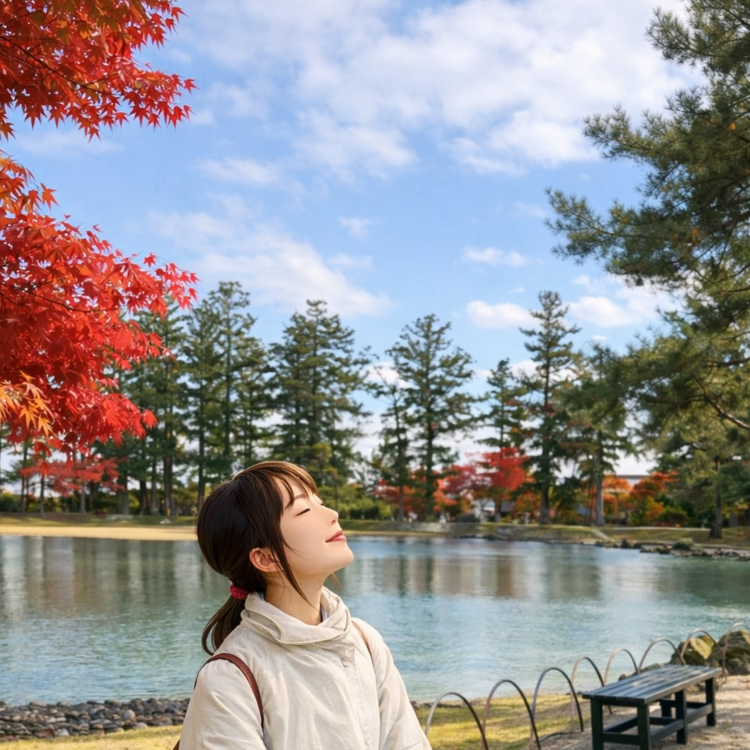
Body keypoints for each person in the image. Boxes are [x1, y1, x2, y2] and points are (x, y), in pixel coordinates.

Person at [179, 461, 432, 750]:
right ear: (266, 558)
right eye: (304, 510)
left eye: (319, 502)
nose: (333, 514)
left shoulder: (365, 641)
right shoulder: (228, 677)